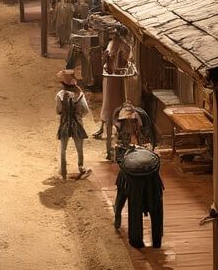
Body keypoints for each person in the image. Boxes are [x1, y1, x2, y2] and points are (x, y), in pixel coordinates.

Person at [112, 103, 162, 248]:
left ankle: (156, 236)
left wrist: (145, 149)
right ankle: (117, 214)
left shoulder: (143, 129)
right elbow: (119, 154)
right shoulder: (119, 132)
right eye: (127, 121)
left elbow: (151, 146)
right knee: (122, 193)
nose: (130, 123)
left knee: (155, 197)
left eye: (132, 120)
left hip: (146, 166)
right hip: (129, 168)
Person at [94, 27, 133, 157]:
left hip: (118, 82)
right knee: (112, 110)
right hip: (113, 81)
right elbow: (106, 62)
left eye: (115, 34)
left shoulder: (123, 47)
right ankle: (111, 148)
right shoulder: (114, 45)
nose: (113, 37)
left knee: (119, 112)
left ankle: (118, 145)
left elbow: (126, 63)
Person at [55, 68, 89, 180]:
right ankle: (81, 167)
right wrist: (79, 116)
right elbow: (85, 110)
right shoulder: (80, 95)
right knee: (79, 148)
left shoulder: (60, 95)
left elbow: (58, 110)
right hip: (77, 124)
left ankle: (64, 171)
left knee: (63, 148)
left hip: (65, 124)